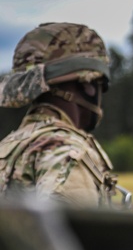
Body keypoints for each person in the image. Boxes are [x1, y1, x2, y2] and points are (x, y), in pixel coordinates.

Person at [0, 22, 119, 206]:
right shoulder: (67, 153)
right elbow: (76, 232)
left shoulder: (8, 148)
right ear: (87, 85)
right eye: (101, 84)